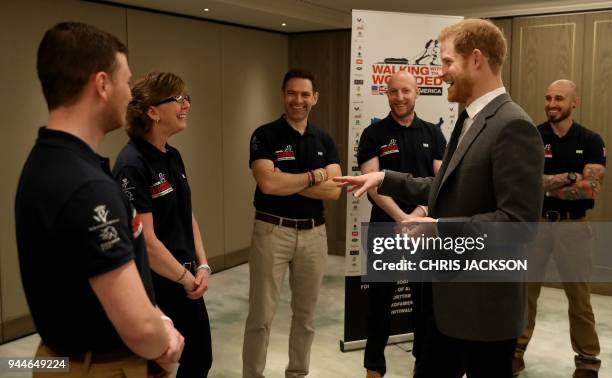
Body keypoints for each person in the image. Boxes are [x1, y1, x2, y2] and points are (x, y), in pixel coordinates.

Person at [334, 19, 544, 377]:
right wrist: (386, 177)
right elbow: (446, 187)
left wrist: (439, 229)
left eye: (447, 63)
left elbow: (518, 225)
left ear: (475, 60)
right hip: (446, 304)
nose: (441, 73)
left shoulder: (512, 125)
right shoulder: (468, 120)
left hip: (484, 312)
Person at [15, 22, 183, 377]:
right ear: (102, 84)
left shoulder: (44, 161)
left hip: (57, 359)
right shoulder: (87, 188)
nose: (129, 95)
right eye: (126, 82)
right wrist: (165, 343)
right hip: (100, 367)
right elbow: (138, 328)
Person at [113, 71, 213, 377]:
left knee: (199, 358)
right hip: (158, 285)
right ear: (152, 111)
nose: (186, 105)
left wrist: (203, 265)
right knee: (158, 367)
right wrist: (185, 277)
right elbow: (146, 241)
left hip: (186, 278)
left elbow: (187, 213)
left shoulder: (172, 155)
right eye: (177, 99)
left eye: (186, 98)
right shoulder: (132, 164)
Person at [243, 69, 342, 378]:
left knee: (306, 317)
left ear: (315, 98)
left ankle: (297, 374)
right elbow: (268, 184)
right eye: (291, 93)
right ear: (282, 95)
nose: (297, 100)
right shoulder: (264, 135)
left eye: (304, 94)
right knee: (261, 316)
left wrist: (286, 180)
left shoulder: (324, 139)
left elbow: (336, 190)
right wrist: (314, 176)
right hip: (273, 231)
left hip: (314, 234)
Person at [513, 80, 605, 378]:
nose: (552, 104)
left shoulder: (590, 140)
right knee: (524, 294)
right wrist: (568, 177)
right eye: (548, 98)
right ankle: (515, 354)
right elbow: (523, 183)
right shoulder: (533, 136)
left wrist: (545, 184)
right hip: (535, 225)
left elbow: (590, 189)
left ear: (574, 103)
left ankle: (588, 362)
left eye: (559, 99)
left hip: (573, 226)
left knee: (579, 300)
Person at [358, 71, 445, 378]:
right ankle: (374, 368)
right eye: (394, 91)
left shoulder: (433, 133)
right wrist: (401, 218)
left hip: (426, 229)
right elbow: (372, 183)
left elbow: (441, 180)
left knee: (425, 304)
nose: (400, 97)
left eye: (406, 91)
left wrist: (419, 214)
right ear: (386, 93)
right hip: (386, 227)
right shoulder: (374, 134)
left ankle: (422, 365)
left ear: (417, 92)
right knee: (380, 302)